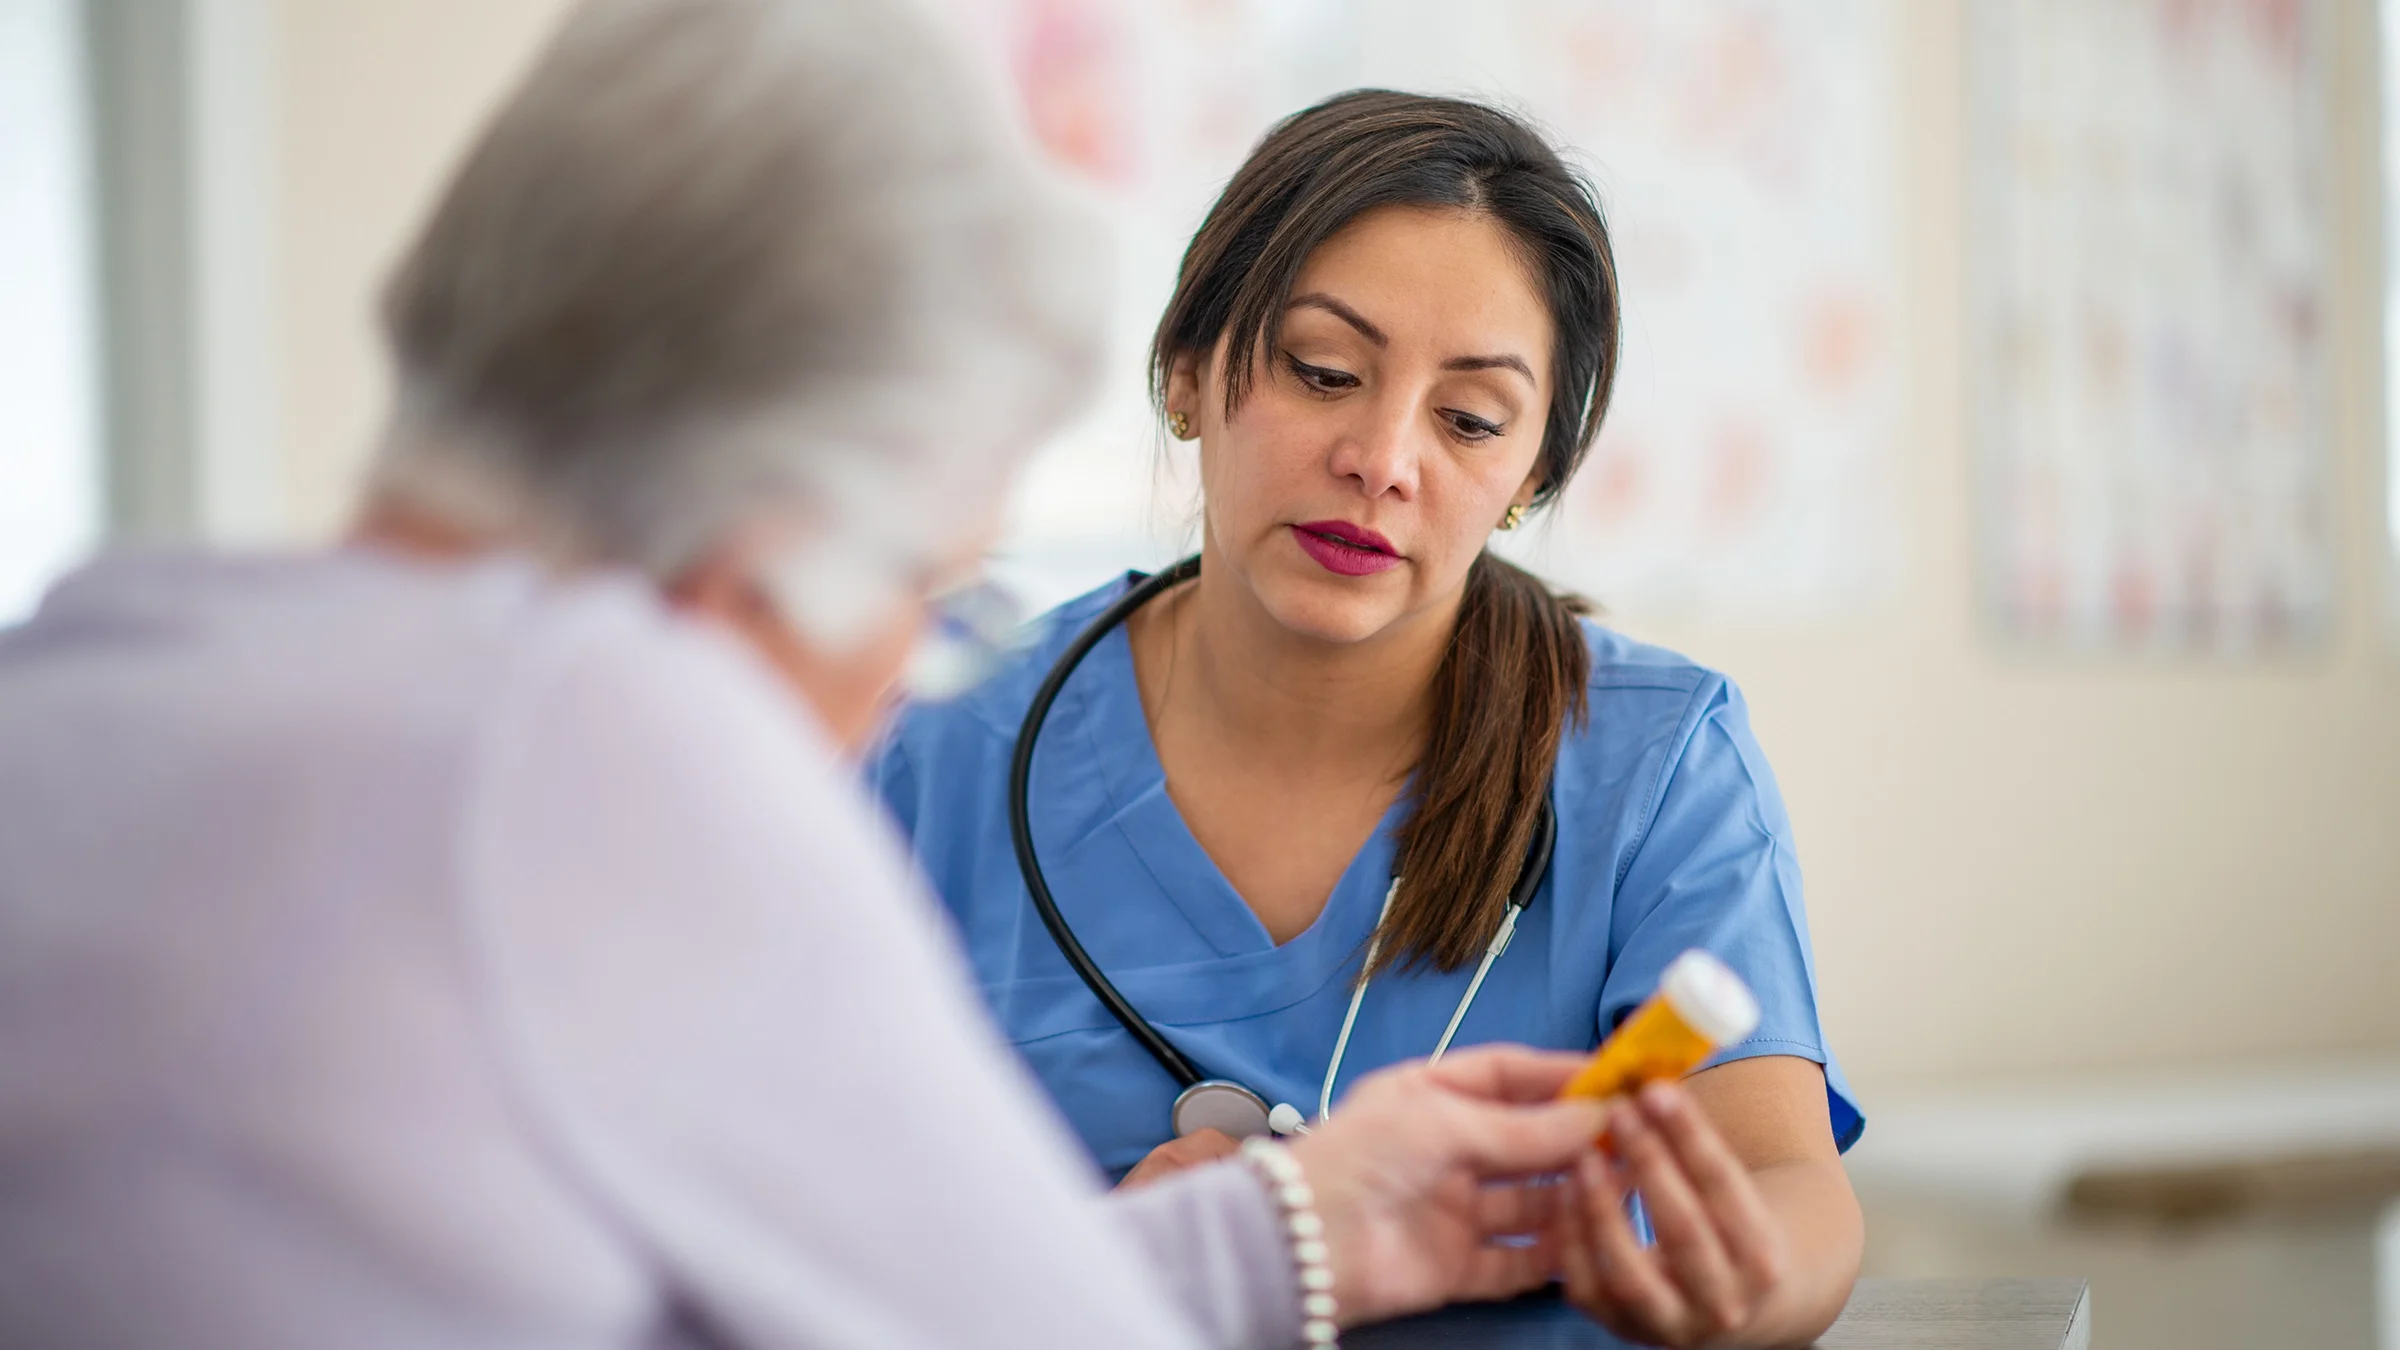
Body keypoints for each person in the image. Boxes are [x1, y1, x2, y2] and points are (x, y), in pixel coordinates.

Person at [0, 3, 1626, 1347]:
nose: (896, 698)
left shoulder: (94, 661)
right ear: (756, 551)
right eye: (925, 596)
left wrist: (1288, 1228)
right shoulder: (595, 742)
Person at [873, 90, 1868, 1347]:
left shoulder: (1658, 766)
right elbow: (774, 1225)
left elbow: (1795, 1193)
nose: (1385, 457)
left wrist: (1725, 1286)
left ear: (1530, 481)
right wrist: (1125, 1266)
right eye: (1325, 371)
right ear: (1186, 372)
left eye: (1470, 422)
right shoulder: (938, 744)